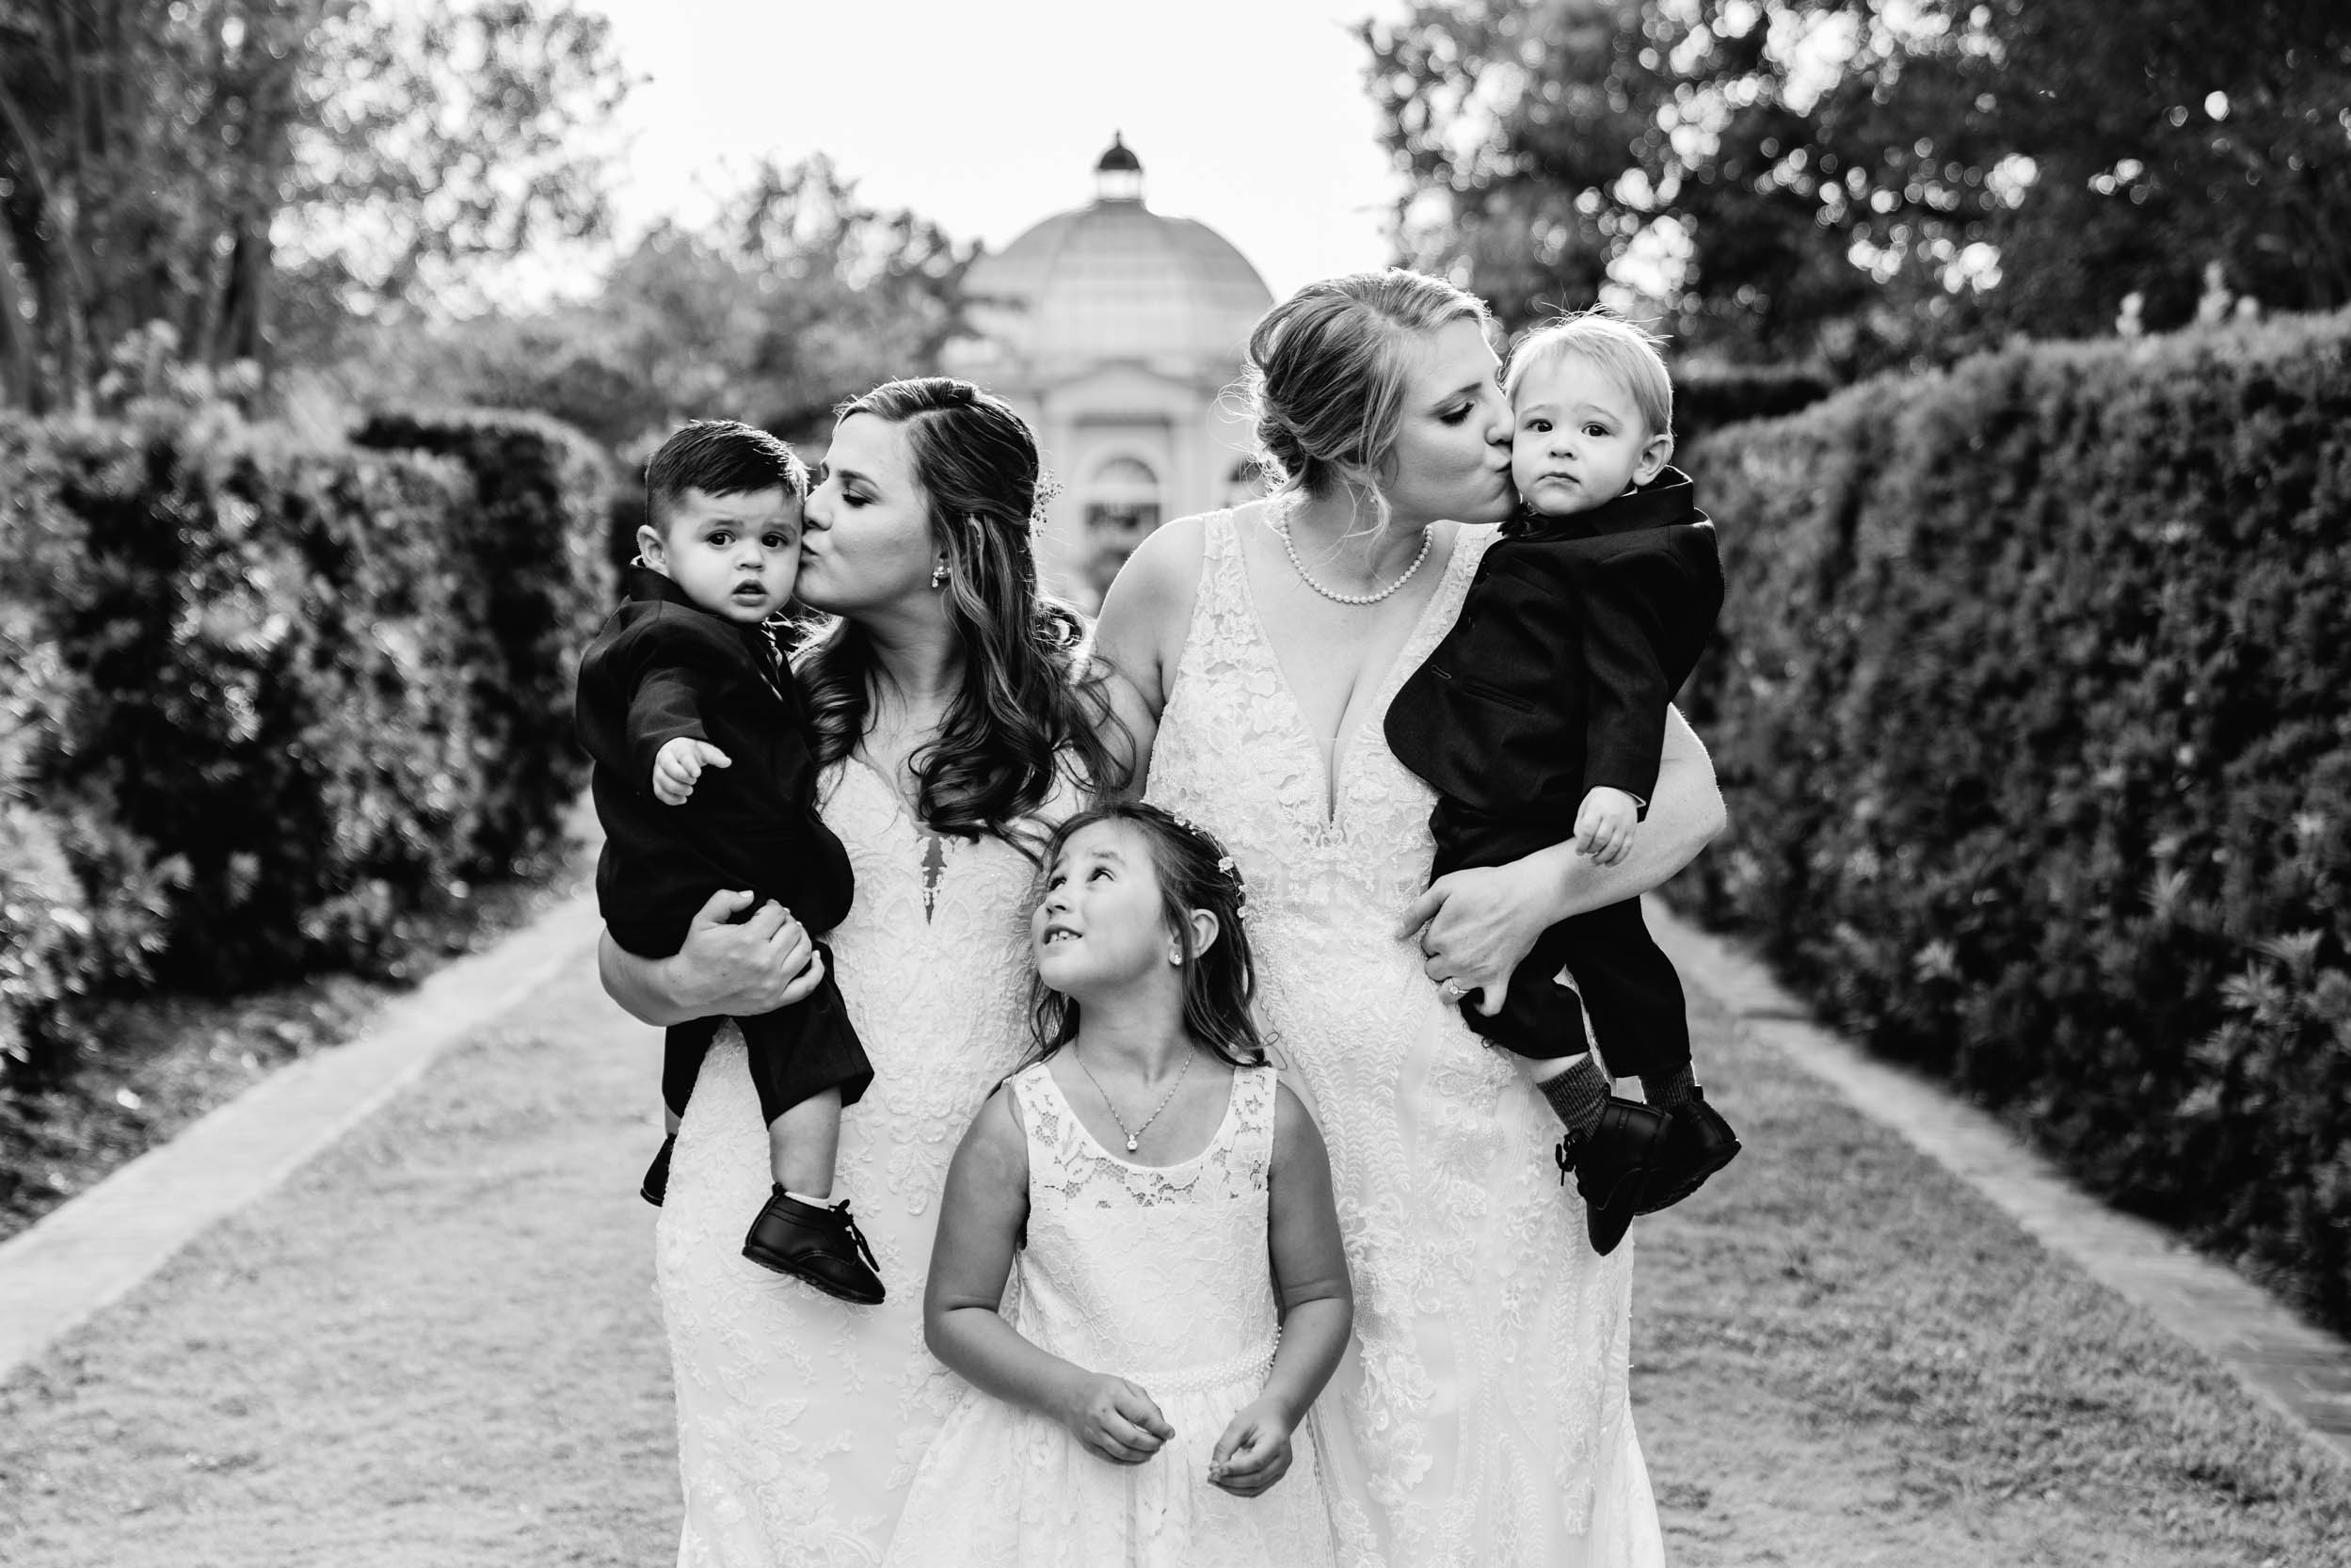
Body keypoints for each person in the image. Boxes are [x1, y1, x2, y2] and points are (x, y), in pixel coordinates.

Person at [1096, 269, 1725, 1566]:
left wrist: (1533, 891)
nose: (1512, 424)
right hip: (1243, 1152)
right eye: (1461, 407)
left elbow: (1689, 799)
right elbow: (1069, 826)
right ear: (1355, 449)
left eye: (1496, 382)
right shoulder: (1179, 575)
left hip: (1489, 1151)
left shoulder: (1527, 573)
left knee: (1486, 1502)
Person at [597, 378, 1133, 1566]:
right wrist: (696, 980)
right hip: (772, 1200)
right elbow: (625, 954)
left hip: (1011, 1232)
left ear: (954, 540)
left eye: (849, 489)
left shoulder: (1086, 728)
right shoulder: (750, 698)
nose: (809, 510)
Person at [885, 803, 1349, 1568]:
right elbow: (955, 1313)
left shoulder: (1272, 1118)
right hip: (1056, 1486)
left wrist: (1281, 1406)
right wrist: (1068, 1393)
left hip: (1222, 1489)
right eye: (1052, 883)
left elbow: (1321, 1296)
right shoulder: (1017, 1121)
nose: (1059, 897)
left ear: (1185, 935)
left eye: (1099, 874)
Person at [1385, 310, 1740, 1257]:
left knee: (1483, 972)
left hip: (1519, 804)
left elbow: (1631, 684)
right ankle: (1681, 1106)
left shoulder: (1610, 563)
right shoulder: (1560, 535)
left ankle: (1598, 1122)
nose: (1555, 449)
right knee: (1615, 951)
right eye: (1538, 426)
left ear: (1645, 455)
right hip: (1538, 786)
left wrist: (1617, 790)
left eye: (1591, 432)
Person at [576, 420, 883, 1304]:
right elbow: (663, 700)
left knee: (703, 1021)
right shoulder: (676, 635)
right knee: (797, 1005)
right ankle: (803, 1207)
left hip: (667, 890)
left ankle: (681, 1144)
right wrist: (670, 748)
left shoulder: (734, 635)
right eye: (721, 539)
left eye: (775, 541)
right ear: (656, 548)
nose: (752, 562)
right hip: (695, 883)